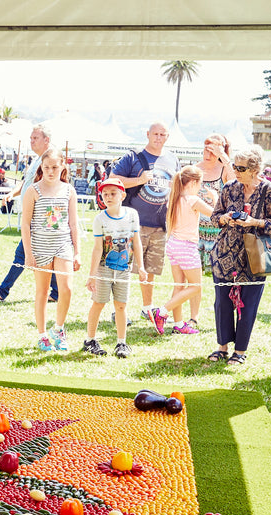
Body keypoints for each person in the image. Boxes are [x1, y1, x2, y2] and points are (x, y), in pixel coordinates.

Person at [207, 145, 271, 366]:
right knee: (221, 303)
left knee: (247, 304)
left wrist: (254, 222)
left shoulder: (269, 190)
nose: (235, 171)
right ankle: (222, 347)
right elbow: (215, 217)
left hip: (253, 257)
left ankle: (240, 351)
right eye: (234, 166)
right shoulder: (229, 187)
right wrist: (226, 218)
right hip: (225, 254)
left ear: (254, 169)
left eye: (240, 168)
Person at [109, 122, 180, 319]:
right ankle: (118, 310)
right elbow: (113, 179)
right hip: (132, 224)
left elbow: (177, 188)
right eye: (155, 133)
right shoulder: (133, 156)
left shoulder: (173, 159)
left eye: (162, 134)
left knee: (150, 270)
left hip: (159, 225)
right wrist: (139, 180)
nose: (158, 137)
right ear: (147, 134)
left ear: (167, 137)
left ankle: (147, 307)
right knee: (123, 266)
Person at [0, 124, 58, 303]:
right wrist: (11, 193)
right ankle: (56, 292)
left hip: (40, 215)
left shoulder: (50, 160)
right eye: (30, 138)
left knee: (23, 254)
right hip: (34, 214)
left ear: (46, 140)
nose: (31, 141)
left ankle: (2, 290)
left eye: (35, 138)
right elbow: (26, 183)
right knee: (45, 254)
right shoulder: (37, 160)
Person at [22, 148, 80, 352]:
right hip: (40, 246)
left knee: (66, 289)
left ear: (62, 166)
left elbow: (74, 223)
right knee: (43, 291)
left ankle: (59, 329)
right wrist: (29, 254)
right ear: (41, 168)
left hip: (63, 245)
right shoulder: (33, 190)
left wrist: (77, 251)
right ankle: (42, 335)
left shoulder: (69, 190)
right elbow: (25, 225)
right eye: (46, 167)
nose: (51, 171)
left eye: (55, 167)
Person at [147, 166, 215, 335]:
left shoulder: (175, 198)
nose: (200, 187)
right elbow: (216, 216)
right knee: (196, 286)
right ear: (192, 182)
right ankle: (161, 311)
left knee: (179, 285)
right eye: (200, 183)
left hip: (173, 244)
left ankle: (178, 324)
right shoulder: (193, 200)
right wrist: (215, 198)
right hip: (186, 246)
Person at [83, 178, 145, 358]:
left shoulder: (132, 215)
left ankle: (121, 342)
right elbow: (97, 248)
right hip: (104, 269)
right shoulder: (99, 219)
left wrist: (140, 267)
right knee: (99, 302)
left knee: (121, 305)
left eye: (113, 193)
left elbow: (136, 241)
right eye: (105, 194)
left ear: (122, 195)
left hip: (124, 269)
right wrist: (92, 275)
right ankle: (90, 340)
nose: (109, 197)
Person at [196, 134, 233, 276]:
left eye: (213, 151)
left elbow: (237, 184)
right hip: (196, 228)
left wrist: (223, 156)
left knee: (220, 276)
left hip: (218, 230)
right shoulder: (195, 168)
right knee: (192, 276)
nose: (208, 154)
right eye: (206, 149)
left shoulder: (224, 169)